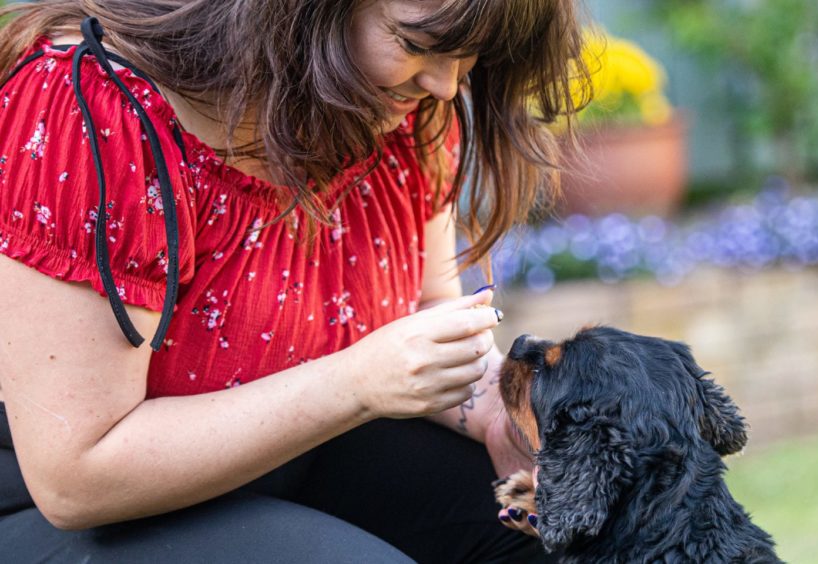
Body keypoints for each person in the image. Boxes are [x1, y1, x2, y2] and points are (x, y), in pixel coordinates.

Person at [0, 0, 588, 562]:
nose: (446, 83)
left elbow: (424, 318)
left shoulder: (399, 106)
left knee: (562, 532)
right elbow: (75, 481)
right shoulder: (96, 108)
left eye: (472, 54)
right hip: (73, 510)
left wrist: (494, 410)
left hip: (297, 457)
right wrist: (354, 383)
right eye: (416, 44)